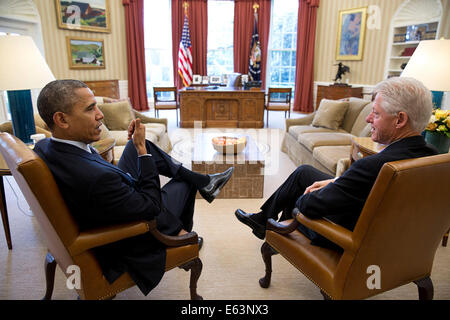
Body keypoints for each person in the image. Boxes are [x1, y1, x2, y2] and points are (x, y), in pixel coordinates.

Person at [34, 79, 234, 295]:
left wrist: (138, 149)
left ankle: (204, 183)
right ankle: (179, 235)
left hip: (114, 199)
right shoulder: (96, 178)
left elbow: (102, 181)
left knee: (137, 145)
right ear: (61, 119)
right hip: (128, 232)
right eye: (91, 109)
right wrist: (141, 152)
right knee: (180, 180)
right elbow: (152, 206)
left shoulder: (45, 145)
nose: (100, 114)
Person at [235, 77, 437, 251]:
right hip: (388, 231)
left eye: (375, 113)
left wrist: (315, 193)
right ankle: (263, 218)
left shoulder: (371, 166)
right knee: (304, 173)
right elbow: (362, 186)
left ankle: (276, 230)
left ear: (400, 120)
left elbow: (308, 206)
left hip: (342, 234)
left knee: (300, 193)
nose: (368, 119)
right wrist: (337, 181)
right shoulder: (433, 157)